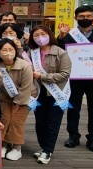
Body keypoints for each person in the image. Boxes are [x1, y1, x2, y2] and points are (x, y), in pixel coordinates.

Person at [57, 5, 93, 153]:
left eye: (88, 16)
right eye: (81, 17)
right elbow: (59, 52)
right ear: (76, 18)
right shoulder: (69, 35)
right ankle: (73, 136)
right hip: (74, 78)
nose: (85, 19)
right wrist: (61, 37)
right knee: (73, 108)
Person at [28, 25, 72, 164]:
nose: (40, 37)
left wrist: (42, 77)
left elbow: (64, 75)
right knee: (40, 121)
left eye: (42, 34)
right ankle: (43, 147)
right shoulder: (31, 53)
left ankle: (48, 150)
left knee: (52, 122)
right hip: (38, 92)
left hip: (56, 93)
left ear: (49, 35)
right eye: (36, 35)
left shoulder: (61, 53)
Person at [0, 38, 36, 161]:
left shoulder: (24, 65)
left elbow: (27, 87)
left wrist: (18, 103)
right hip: (5, 98)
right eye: (4, 50)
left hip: (24, 98)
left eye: (11, 49)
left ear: (15, 51)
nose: (8, 52)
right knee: (5, 120)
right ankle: (2, 144)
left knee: (16, 122)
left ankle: (17, 148)